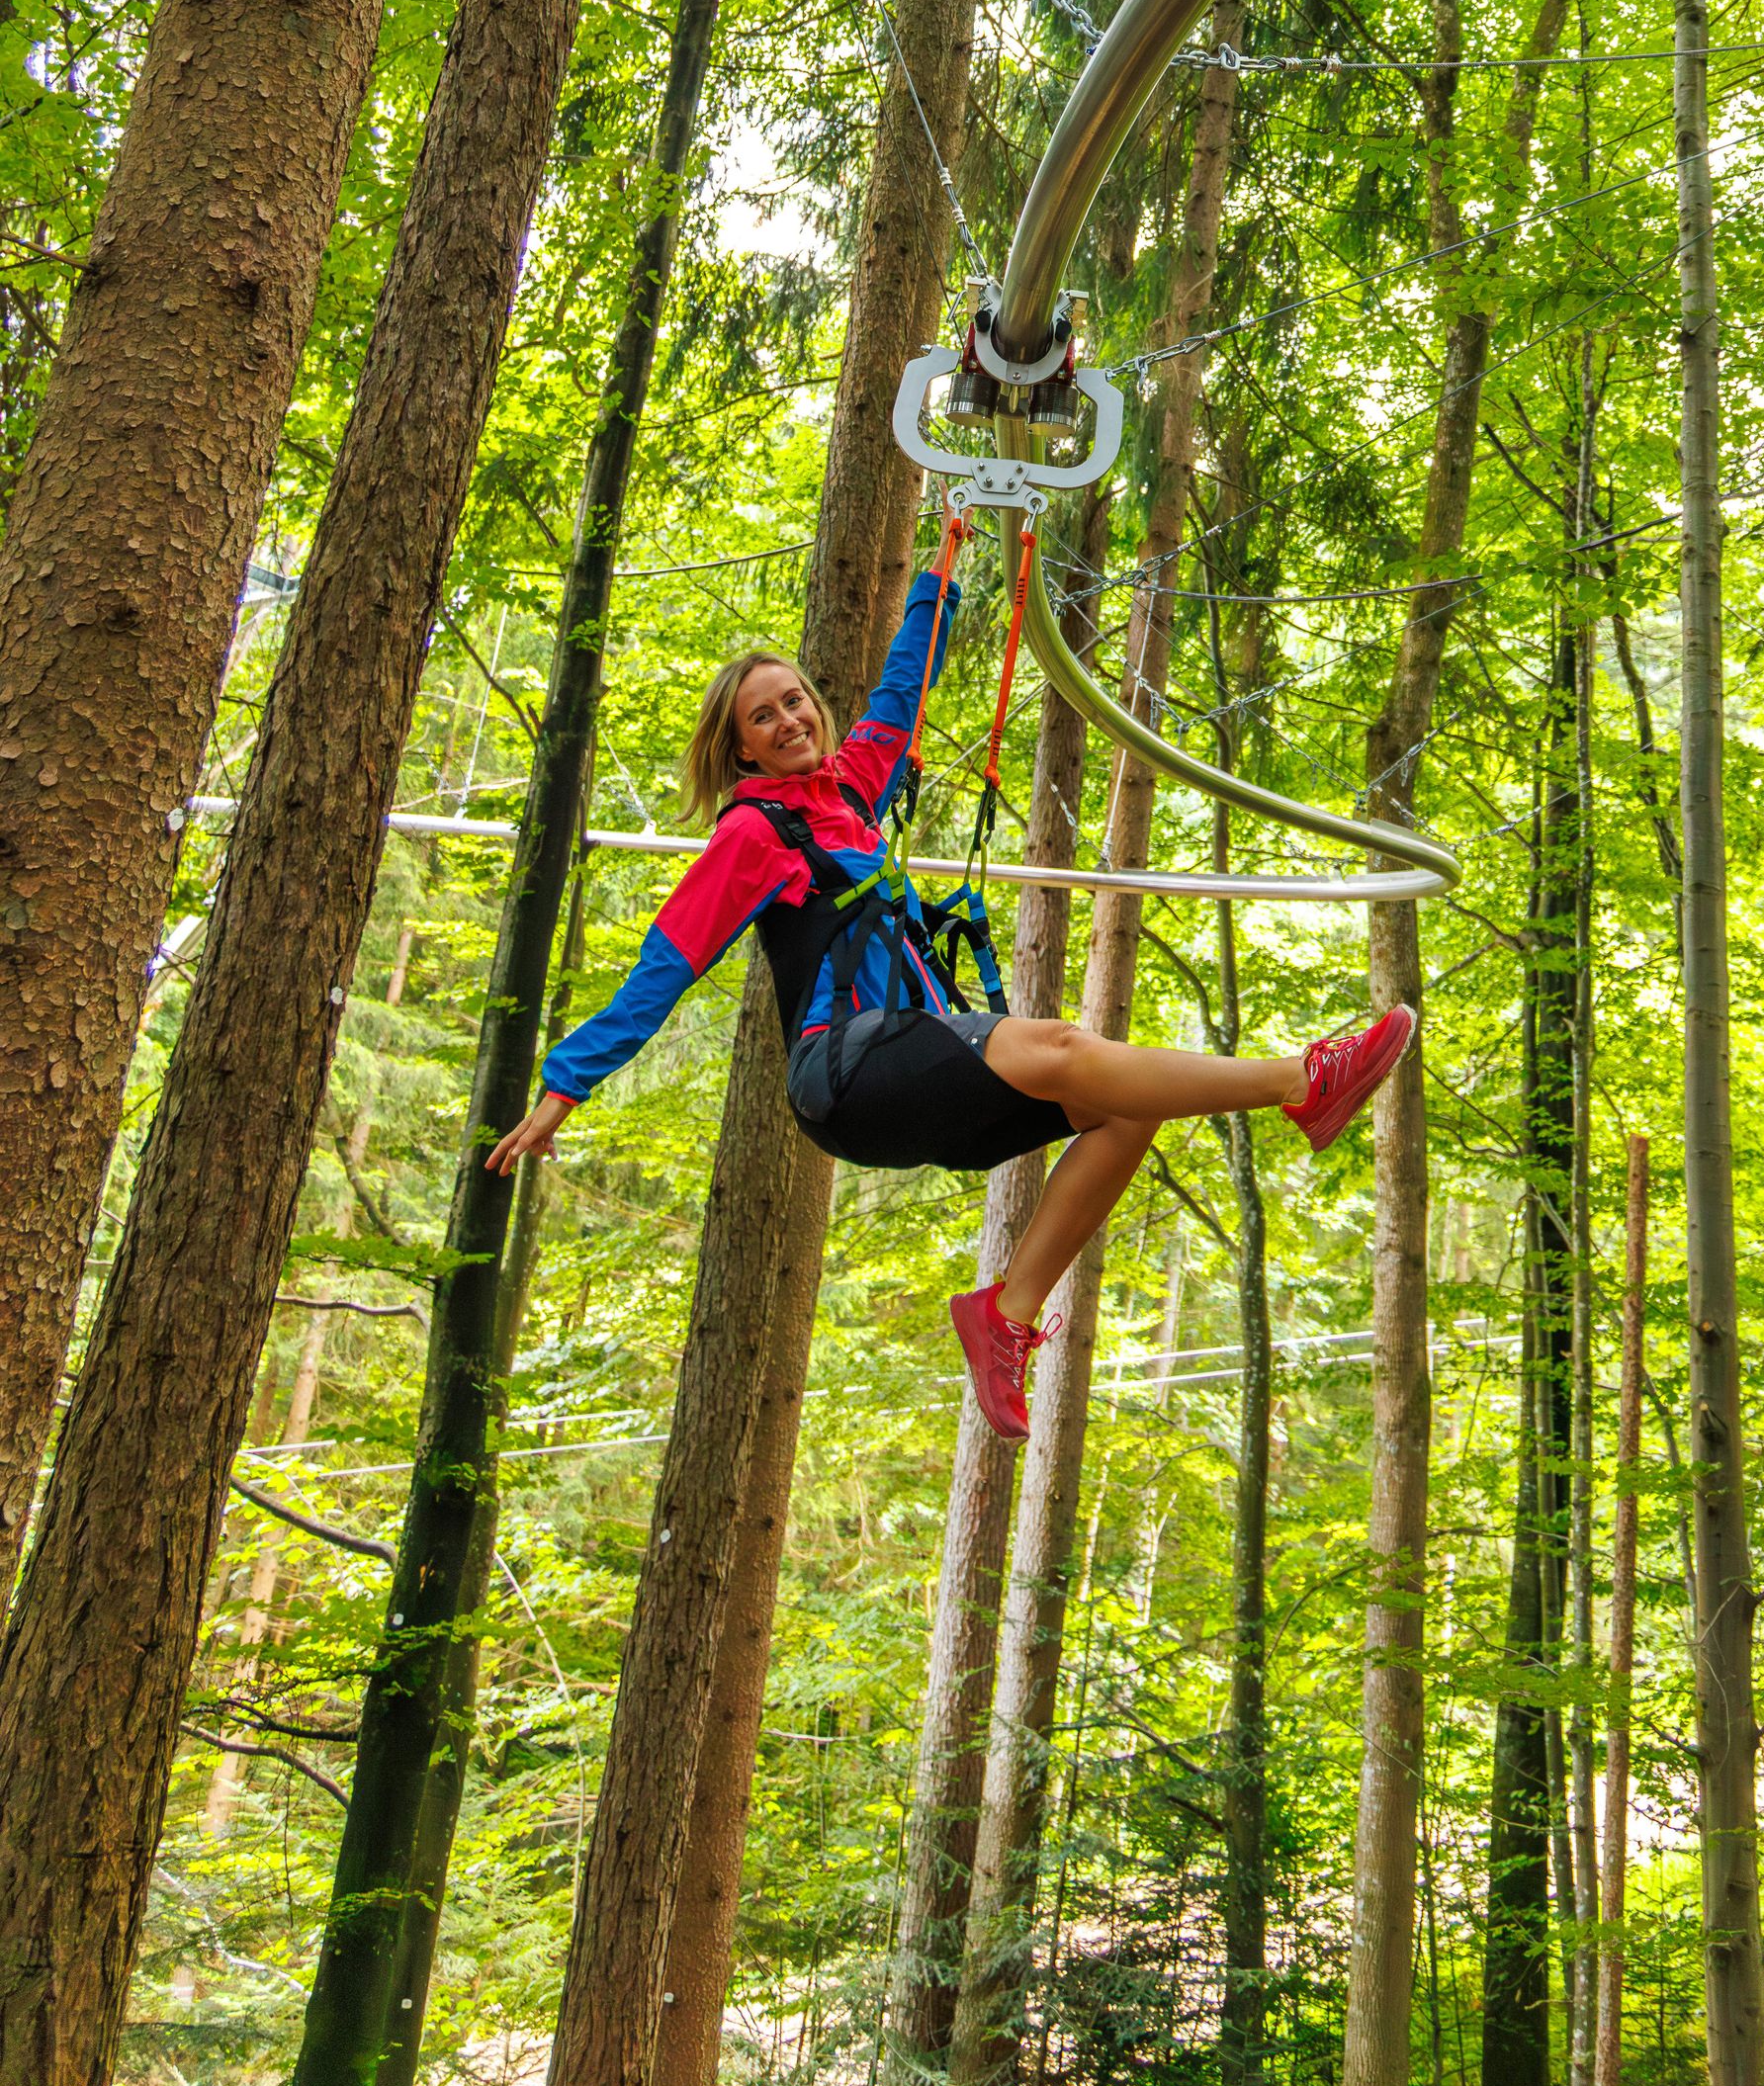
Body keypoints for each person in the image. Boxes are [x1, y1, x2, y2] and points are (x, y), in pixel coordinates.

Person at [486, 530, 1416, 1440]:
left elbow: (900, 692)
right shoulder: (753, 836)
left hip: (916, 1074)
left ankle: (1004, 1315)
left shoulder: (851, 794)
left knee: (1125, 1106)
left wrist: (944, 566)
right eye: (763, 717)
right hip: (845, 1072)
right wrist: (567, 1085)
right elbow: (666, 967)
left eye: (796, 700)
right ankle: (1302, 1082)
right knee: (1062, 1047)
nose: (790, 720)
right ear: (742, 753)